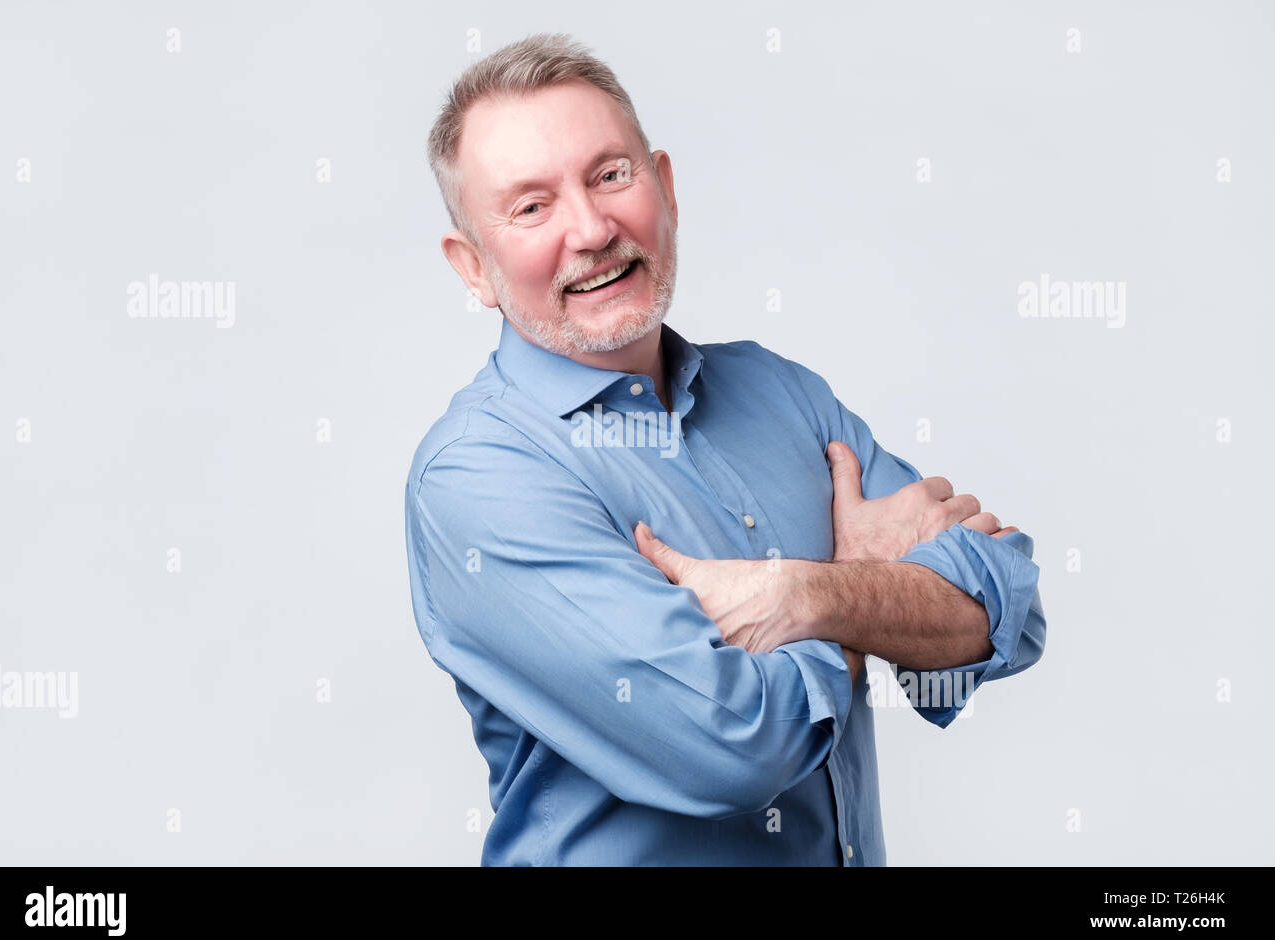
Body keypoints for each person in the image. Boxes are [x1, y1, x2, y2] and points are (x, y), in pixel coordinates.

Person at [406, 32, 1045, 865]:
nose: (593, 229)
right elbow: (740, 744)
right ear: (474, 269)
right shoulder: (479, 478)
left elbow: (1009, 614)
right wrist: (867, 593)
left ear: (664, 187)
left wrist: (804, 599)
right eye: (532, 207)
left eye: (611, 175)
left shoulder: (782, 394)